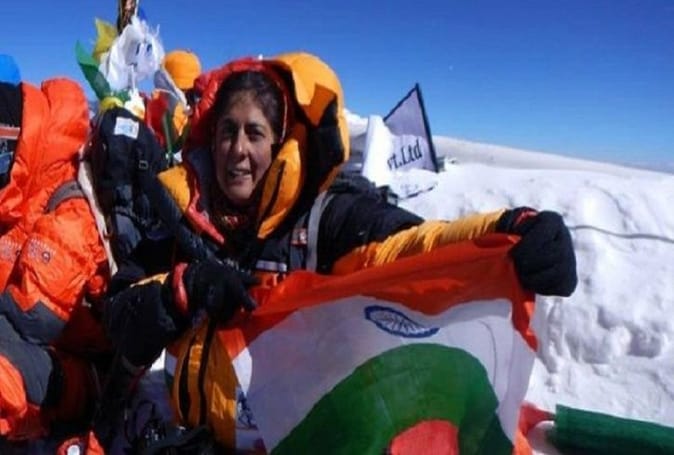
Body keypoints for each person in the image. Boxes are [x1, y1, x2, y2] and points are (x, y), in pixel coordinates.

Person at [102, 51, 577, 452]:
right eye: (227, 130)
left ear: (282, 144)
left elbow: (415, 249)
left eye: (254, 133)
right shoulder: (183, 219)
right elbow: (120, 313)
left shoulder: (325, 220)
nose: (237, 149)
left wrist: (510, 232)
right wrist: (184, 289)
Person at [0, 76, 112, 447]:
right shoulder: (19, 192)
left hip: (84, 381)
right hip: (46, 354)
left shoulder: (68, 210)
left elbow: (32, 320)